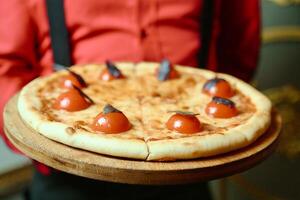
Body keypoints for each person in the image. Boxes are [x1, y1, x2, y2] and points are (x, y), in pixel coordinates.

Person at [0, 0, 260, 199]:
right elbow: (5, 66)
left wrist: (207, 115)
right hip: (68, 178)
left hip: (188, 168)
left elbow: (238, 51)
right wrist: (45, 143)